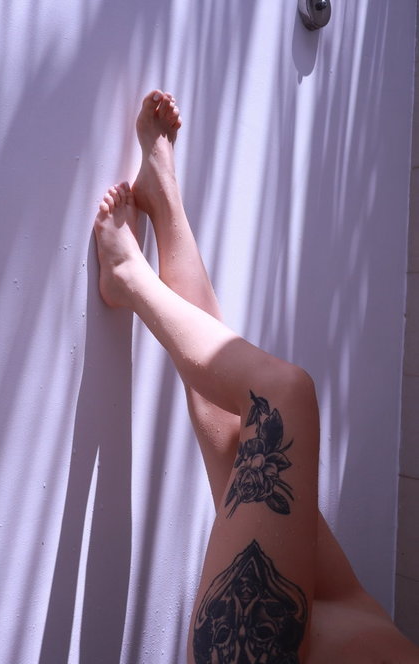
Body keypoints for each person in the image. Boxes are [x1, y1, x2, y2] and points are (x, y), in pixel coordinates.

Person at [93, 90, 419, 663]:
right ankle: (164, 204)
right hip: (352, 620)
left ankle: (127, 275)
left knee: (281, 397)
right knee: (240, 442)